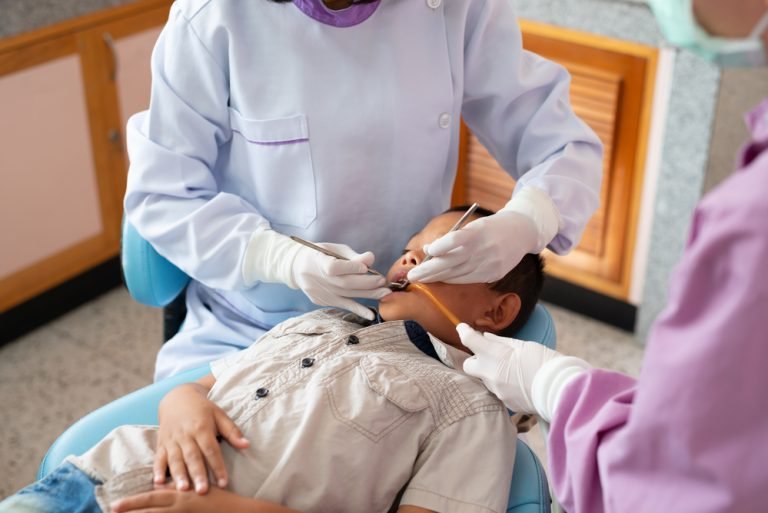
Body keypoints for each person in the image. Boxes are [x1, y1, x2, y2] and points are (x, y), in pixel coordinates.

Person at [124, 0, 603, 381]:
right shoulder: (213, 19)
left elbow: (563, 145)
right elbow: (163, 195)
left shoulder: (457, 8)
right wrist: (277, 257)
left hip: (405, 342)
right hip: (251, 331)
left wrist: (529, 219)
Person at [0, 208, 545, 513]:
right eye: (411, 247)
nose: (409, 258)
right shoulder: (321, 321)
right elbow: (200, 386)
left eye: (444, 255)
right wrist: (180, 404)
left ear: (497, 310)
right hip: (97, 479)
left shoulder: (471, 410)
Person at [454, 0, 768, 511]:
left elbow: (672, 485)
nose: (407, 260)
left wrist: (559, 389)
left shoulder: (752, 218)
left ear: (498, 311)